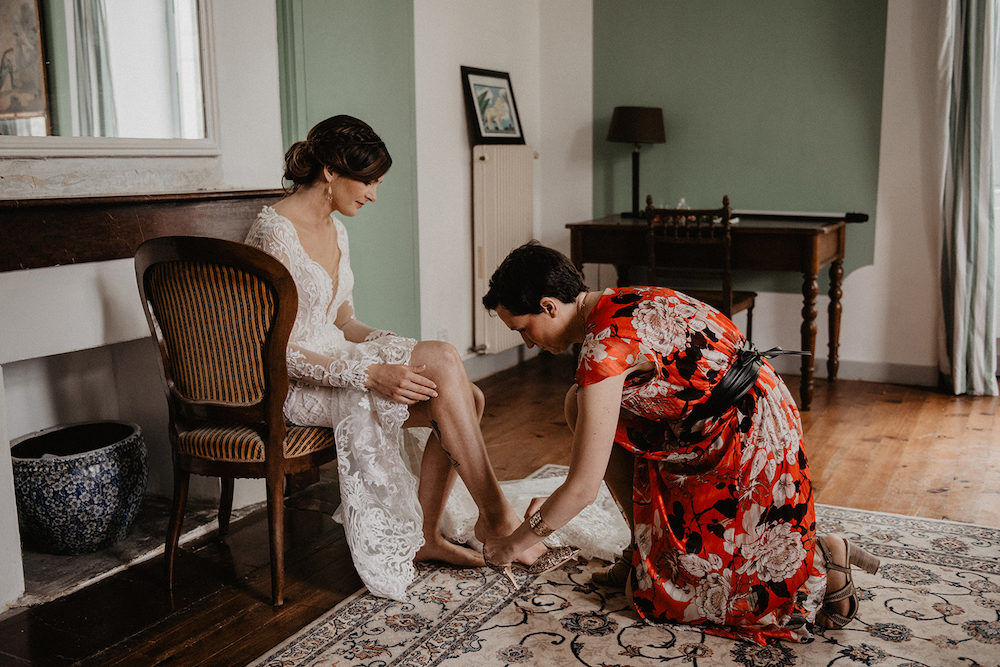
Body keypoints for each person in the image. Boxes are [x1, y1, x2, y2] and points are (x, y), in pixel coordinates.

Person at [479, 241, 880, 642]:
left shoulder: (603, 348)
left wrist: (513, 545)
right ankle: (641, 549)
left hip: (750, 439)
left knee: (684, 600)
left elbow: (582, 488)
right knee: (578, 403)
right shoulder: (620, 299)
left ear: (549, 306)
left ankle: (825, 560)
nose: (528, 343)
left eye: (523, 329)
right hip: (726, 417)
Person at [245, 115, 563, 601]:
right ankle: (494, 518)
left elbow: (344, 321)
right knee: (457, 388)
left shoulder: (335, 228)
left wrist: (396, 347)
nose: (374, 194)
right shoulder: (274, 234)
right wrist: (370, 373)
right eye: (368, 181)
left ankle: (433, 537)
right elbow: (279, 351)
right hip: (296, 382)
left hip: (339, 359)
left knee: (459, 385)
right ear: (330, 171)